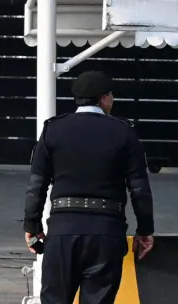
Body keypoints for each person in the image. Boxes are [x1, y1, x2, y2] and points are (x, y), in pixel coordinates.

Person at [24, 70, 155, 304]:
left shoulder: (53, 130)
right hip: (106, 233)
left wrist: (32, 225)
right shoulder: (123, 132)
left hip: (63, 231)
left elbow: (36, 184)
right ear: (104, 98)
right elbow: (139, 188)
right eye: (111, 96)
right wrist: (145, 230)